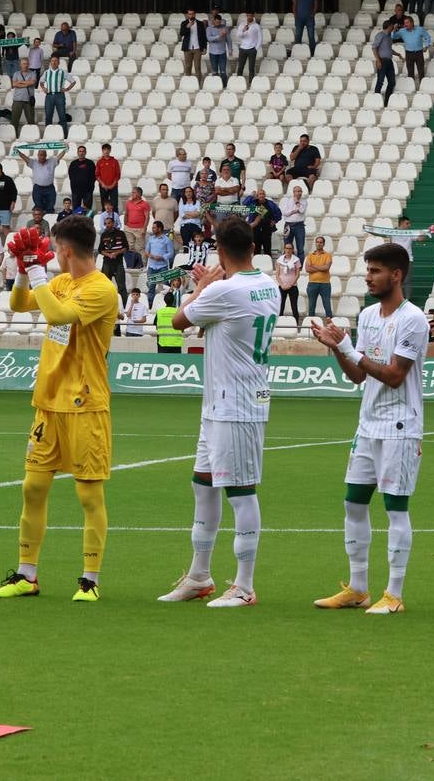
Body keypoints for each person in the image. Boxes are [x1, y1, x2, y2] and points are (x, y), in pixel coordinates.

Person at [0, 218, 119, 603]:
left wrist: (38, 271)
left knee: (89, 496)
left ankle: (90, 580)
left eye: (52, 249)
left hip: (85, 404)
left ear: (64, 250)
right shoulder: (60, 282)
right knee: (33, 487)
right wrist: (24, 272)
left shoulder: (101, 289)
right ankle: (27, 575)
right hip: (49, 402)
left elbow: (60, 316)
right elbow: (18, 303)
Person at [158, 218, 279, 608]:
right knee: (203, 484)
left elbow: (176, 323)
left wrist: (201, 286)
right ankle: (199, 575)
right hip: (222, 403)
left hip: (236, 404)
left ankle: (244, 586)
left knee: (241, 493)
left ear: (220, 250)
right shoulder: (268, 283)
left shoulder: (224, 290)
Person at [311, 243, 427, 615]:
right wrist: (337, 348)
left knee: (395, 508)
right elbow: (359, 375)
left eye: (376, 270)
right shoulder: (370, 316)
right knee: (353, 503)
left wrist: (350, 348)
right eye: (368, 270)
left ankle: (393, 594)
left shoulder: (413, 319)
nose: (368, 276)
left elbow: (394, 375)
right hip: (368, 424)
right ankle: (358, 587)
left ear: (396, 275)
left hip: (400, 426)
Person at [305, 236, 333, 318]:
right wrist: (321, 267)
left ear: (323, 244)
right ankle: (311, 326)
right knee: (311, 307)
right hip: (312, 284)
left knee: (327, 306)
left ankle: (330, 326)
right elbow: (307, 269)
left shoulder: (328, 255)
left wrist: (313, 266)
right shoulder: (310, 255)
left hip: (325, 284)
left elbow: (326, 268)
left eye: (321, 242)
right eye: (317, 242)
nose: (319, 244)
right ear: (315, 243)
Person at [276, 243, 301, 322]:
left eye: (290, 248)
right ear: (284, 249)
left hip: (292, 286)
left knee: (294, 307)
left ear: (292, 250)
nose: (288, 250)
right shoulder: (279, 260)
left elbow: (297, 274)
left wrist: (291, 284)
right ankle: (279, 324)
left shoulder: (296, 260)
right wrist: (282, 284)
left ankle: (296, 325)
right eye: (287, 248)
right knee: (280, 306)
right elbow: (277, 275)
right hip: (282, 286)